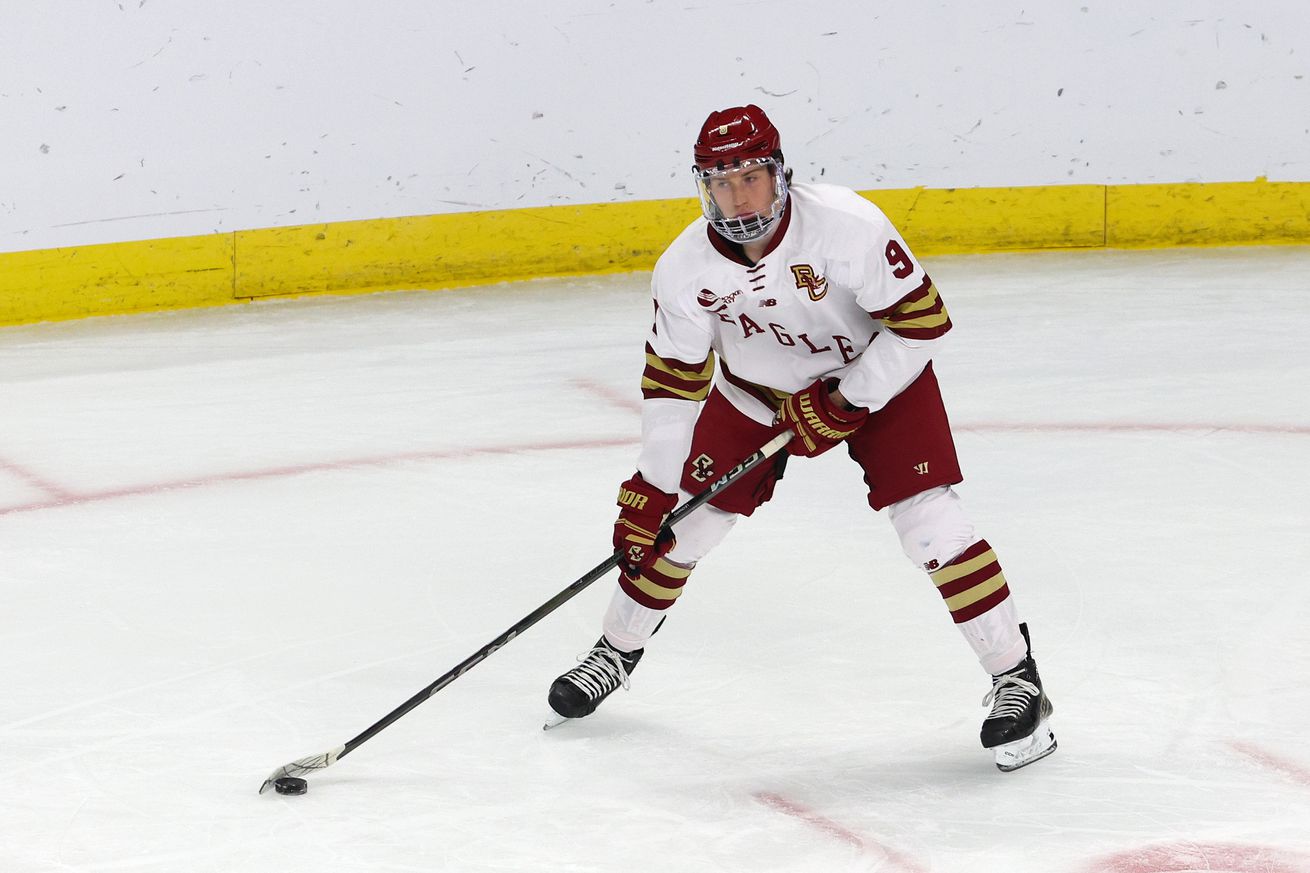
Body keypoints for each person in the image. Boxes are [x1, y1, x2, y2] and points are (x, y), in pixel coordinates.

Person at [545, 104, 1056, 771]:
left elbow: (923, 323)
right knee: (681, 529)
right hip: (753, 396)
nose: (736, 197)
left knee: (930, 527)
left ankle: (1018, 679)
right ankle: (616, 649)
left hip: (878, 381)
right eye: (719, 182)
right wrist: (649, 487)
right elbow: (673, 386)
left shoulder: (848, 228)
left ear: (782, 173)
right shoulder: (685, 267)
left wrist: (845, 399)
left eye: (750, 178)